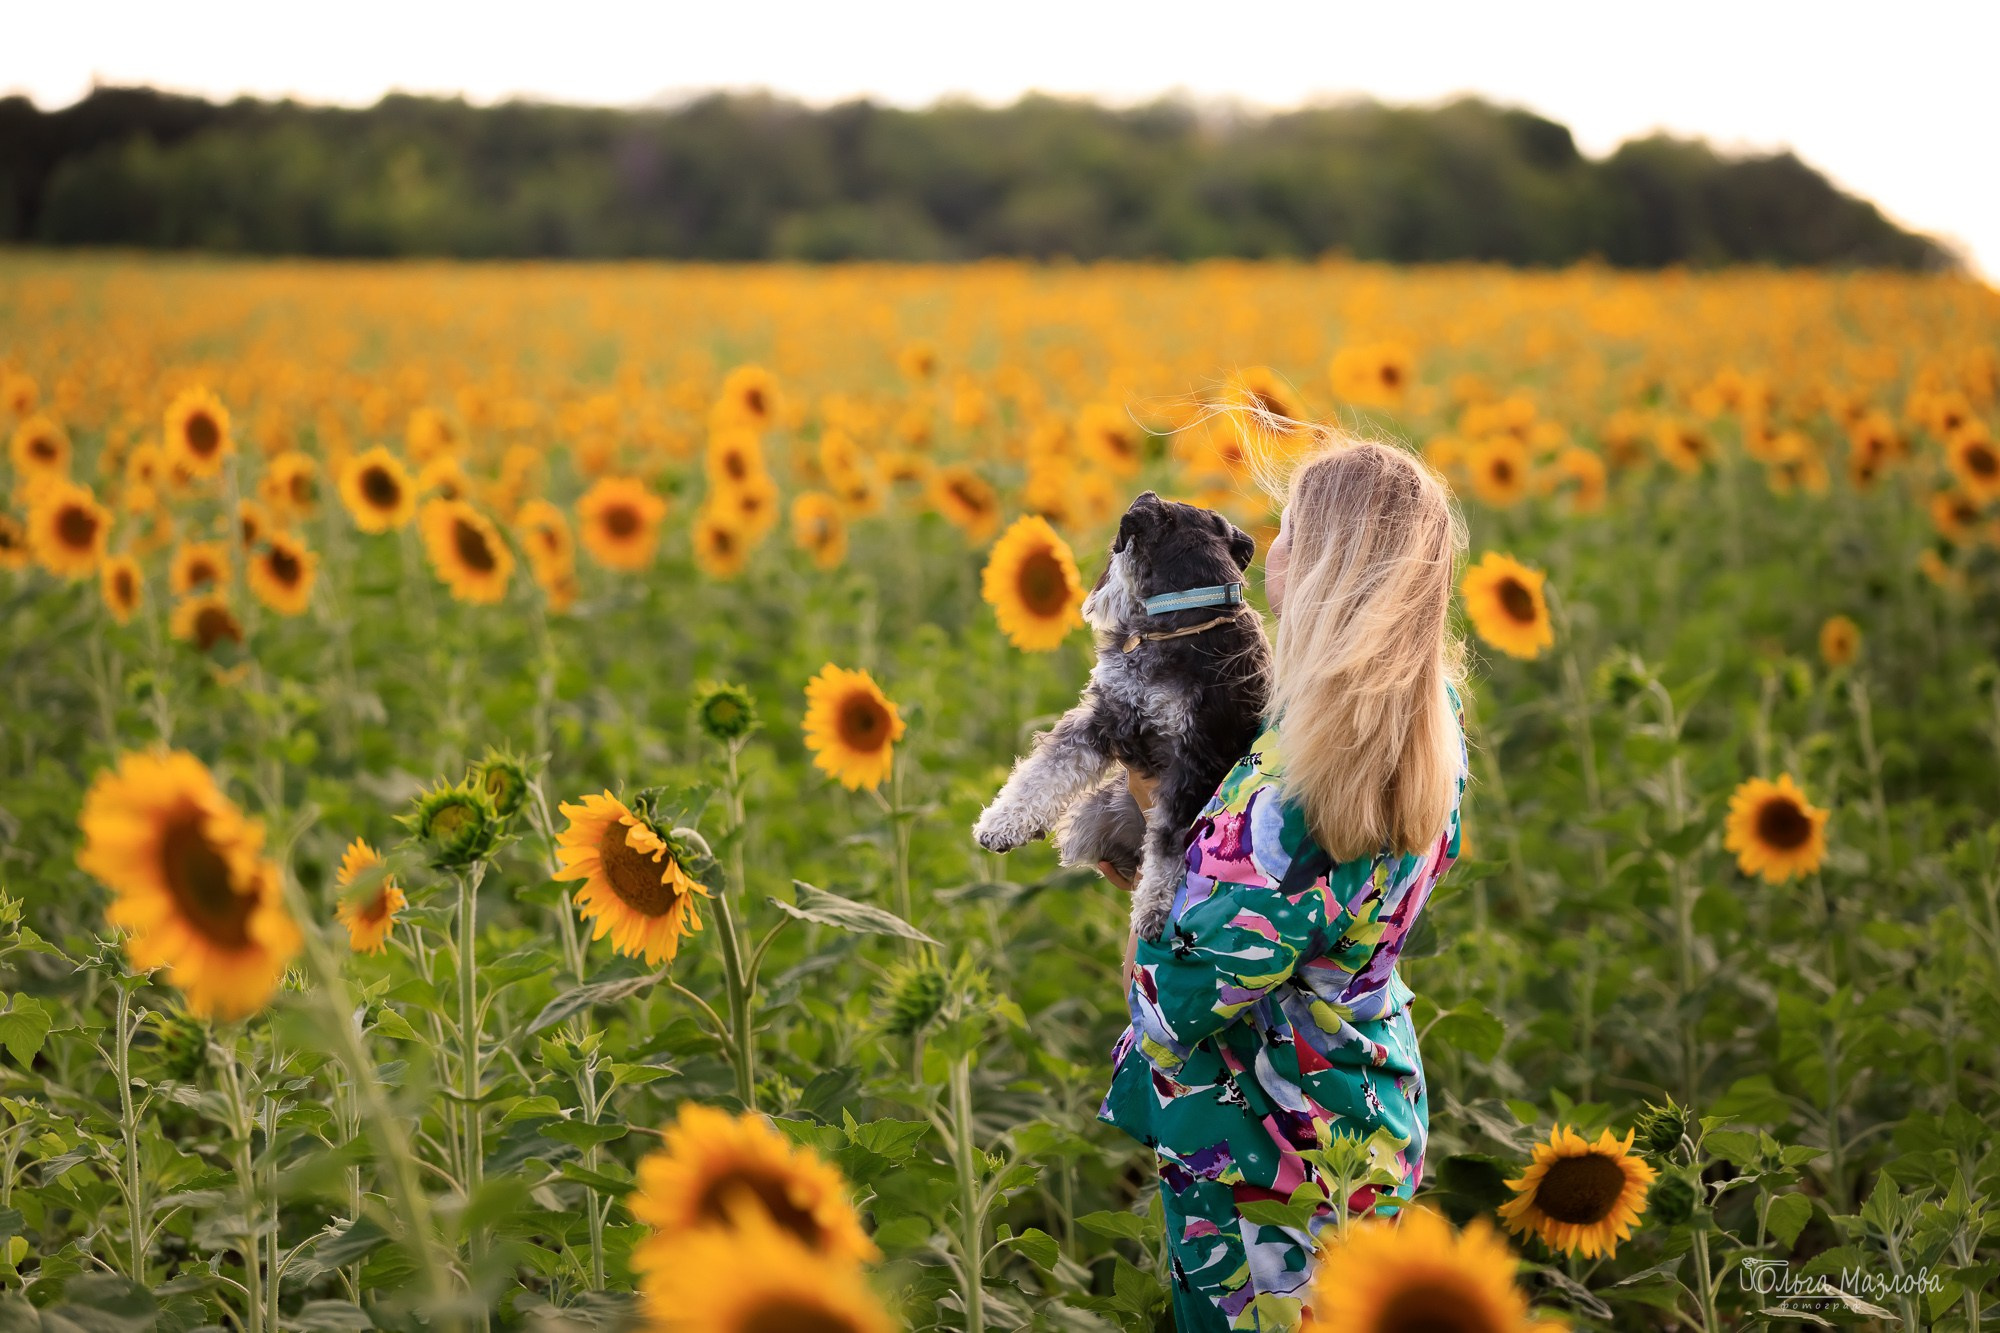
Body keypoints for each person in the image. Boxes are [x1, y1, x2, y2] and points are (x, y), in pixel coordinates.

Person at [1096, 433, 1469, 1331]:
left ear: (1326, 565)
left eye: (1291, 528)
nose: (1272, 547)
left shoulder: (1286, 797)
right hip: (1364, 1097)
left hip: (1264, 1146)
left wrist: (1159, 852)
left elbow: (1170, 1001)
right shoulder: (1423, 718)